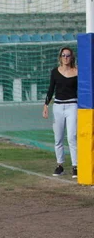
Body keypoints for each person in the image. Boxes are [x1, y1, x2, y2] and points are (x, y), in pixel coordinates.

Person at [43, 46, 77, 178]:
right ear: (60, 57)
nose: (66, 58)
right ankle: (60, 165)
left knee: (72, 137)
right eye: (63, 55)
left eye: (68, 55)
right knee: (58, 138)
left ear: (72, 57)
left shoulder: (77, 72)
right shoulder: (55, 72)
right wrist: (45, 105)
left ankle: (76, 166)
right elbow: (51, 89)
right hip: (58, 106)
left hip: (72, 105)